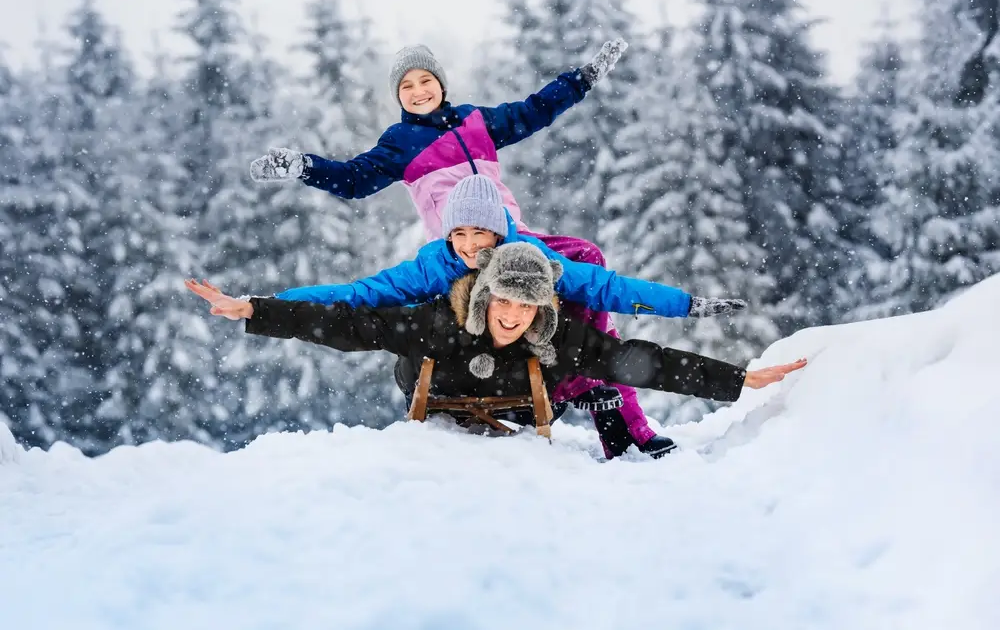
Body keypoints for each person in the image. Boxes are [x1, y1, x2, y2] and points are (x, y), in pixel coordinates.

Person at [247, 39, 744, 456]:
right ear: (398, 96)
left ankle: (608, 405)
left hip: (516, 240)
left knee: (587, 262)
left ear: (441, 84)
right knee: (580, 274)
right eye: (407, 86)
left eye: (425, 81)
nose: (418, 91)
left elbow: (533, 112)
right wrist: (302, 166)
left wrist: (582, 79)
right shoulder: (399, 143)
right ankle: (592, 392)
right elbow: (352, 180)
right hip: (464, 254)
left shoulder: (475, 122)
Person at [184, 243, 807, 459]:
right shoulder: (441, 320)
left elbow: (639, 360)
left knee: (600, 379)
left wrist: (738, 380)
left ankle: (622, 433)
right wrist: (255, 310)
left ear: (541, 307)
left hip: (518, 407)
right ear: (486, 298)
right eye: (503, 303)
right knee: (386, 335)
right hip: (443, 392)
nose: (511, 316)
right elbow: (353, 325)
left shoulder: (555, 336)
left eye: (525, 306)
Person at [273, 173, 747, 456]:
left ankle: (600, 400)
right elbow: (361, 295)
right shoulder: (436, 264)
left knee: (586, 280)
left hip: (519, 362)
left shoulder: (525, 259)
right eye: (458, 233)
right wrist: (276, 305)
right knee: (405, 322)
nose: (469, 245)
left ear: (500, 234)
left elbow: (605, 289)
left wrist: (685, 305)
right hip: (450, 358)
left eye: (480, 233)